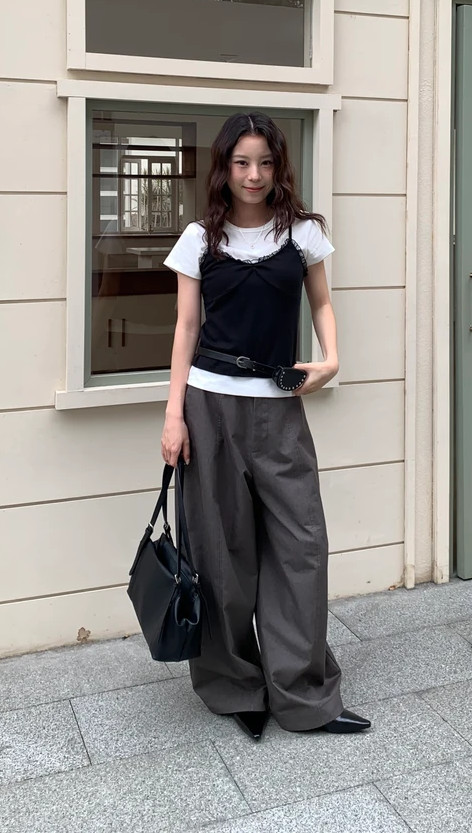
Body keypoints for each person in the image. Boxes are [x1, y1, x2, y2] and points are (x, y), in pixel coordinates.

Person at [162, 111, 370, 741]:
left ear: (279, 166)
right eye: (241, 162)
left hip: (279, 406)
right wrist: (173, 415)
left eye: (265, 162)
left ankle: (303, 693)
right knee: (220, 551)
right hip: (209, 405)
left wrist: (331, 360)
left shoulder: (302, 233)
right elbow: (186, 329)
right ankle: (234, 687)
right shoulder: (199, 238)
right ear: (224, 168)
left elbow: (321, 301)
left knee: (300, 544)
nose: (253, 174)